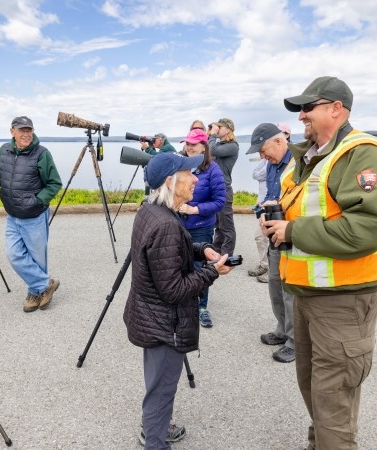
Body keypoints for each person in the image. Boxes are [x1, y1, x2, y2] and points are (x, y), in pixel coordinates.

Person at [264, 76, 377, 449]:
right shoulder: (310, 156)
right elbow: (306, 208)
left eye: (309, 107)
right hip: (309, 295)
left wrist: (292, 232)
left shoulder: (362, 153)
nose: (302, 115)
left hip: (343, 301)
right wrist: (275, 220)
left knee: (333, 396)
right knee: (315, 389)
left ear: (336, 109)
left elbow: (366, 229)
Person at [123, 151, 232, 449]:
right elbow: (173, 289)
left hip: (149, 317)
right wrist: (213, 272)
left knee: (156, 383)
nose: (196, 178)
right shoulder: (167, 225)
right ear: (171, 182)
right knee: (161, 392)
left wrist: (200, 251)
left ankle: (154, 425)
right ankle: (155, 441)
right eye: (189, 174)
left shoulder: (151, 211)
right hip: (164, 325)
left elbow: (166, 256)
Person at [0, 116, 62, 312]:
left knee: (37, 259)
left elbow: (54, 183)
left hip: (35, 217)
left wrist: (37, 201)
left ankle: (34, 292)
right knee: (14, 255)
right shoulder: (4, 151)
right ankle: (46, 284)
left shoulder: (42, 154)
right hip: (13, 217)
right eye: (22, 130)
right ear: (12, 132)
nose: (26, 134)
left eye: (29, 130)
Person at [246, 123, 294, 363]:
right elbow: (270, 194)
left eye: (264, 150)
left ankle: (295, 341)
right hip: (274, 229)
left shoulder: (298, 162)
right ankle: (282, 329)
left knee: (290, 289)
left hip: (292, 232)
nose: (262, 157)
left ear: (279, 141)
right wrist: (263, 209)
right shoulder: (273, 163)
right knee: (275, 283)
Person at [178, 128, 226, 328]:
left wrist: (194, 209)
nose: (189, 147)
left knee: (200, 267)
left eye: (193, 144)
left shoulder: (213, 169)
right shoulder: (181, 165)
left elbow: (220, 201)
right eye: (187, 144)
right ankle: (183, 305)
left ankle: (202, 307)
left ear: (204, 147)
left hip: (201, 227)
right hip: (179, 225)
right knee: (180, 265)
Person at [208, 118, 239, 256]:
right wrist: (208, 135)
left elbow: (212, 150)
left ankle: (227, 254)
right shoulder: (220, 145)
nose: (217, 129)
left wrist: (213, 135)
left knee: (226, 225)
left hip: (224, 189)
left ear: (228, 129)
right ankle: (216, 251)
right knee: (218, 225)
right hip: (215, 189)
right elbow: (207, 152)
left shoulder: (233, 146)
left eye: (220, 127)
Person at [247, 158, 269, 282]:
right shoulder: (266, 159)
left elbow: (261, 174)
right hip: (262, 202)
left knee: (270, 238)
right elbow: (255, 174)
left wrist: (261, 173)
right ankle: (264, 265)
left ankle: (274, 271)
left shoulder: (284, 157)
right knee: (259, 237)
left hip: (273, 203)